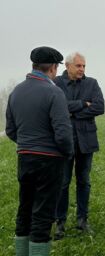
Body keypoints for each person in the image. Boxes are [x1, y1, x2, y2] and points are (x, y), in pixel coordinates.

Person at [6, 46, 73, 256]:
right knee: (43, 215)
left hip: (25, 158)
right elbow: (63, 134)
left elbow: (10, 130)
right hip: (50, 161)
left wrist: (27, 144)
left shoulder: (16, 91)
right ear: (53, 68)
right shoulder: (54, 92)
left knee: (24, 210)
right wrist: (66, 152)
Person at [54, 52, 105, 240]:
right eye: (78, 66)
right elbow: (58, 106)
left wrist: (72, 112)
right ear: (67, 66)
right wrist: (83, 104)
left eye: (84, 66)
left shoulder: (92, 83)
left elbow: (99, 107)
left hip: (86, 140)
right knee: (63, 183)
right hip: (64, 142)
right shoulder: (57, 84)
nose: (82, 69)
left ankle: (82, 220)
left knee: (84, 181)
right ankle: (60, 222)